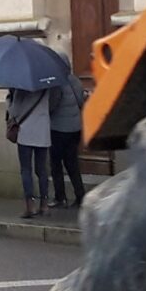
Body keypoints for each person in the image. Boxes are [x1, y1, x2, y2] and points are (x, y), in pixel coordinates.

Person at [7, 79, 55, 219]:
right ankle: (44, 205)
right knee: (42, 170)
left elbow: (14, 111)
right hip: (43, 131)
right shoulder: (47, 84)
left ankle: (30, 206)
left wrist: (9, 100)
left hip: (26, 132)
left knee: (26, 170)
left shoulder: (21, 86)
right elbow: (52, 104)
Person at [47, 69, 86, 209]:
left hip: (59, 129)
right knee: (72, 164)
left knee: (56, 164)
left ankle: (60, 197)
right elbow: (81, 102)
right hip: (75, 128)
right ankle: (80, 196)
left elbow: (52, 106)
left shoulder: (56, 83)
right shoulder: (76, 80)